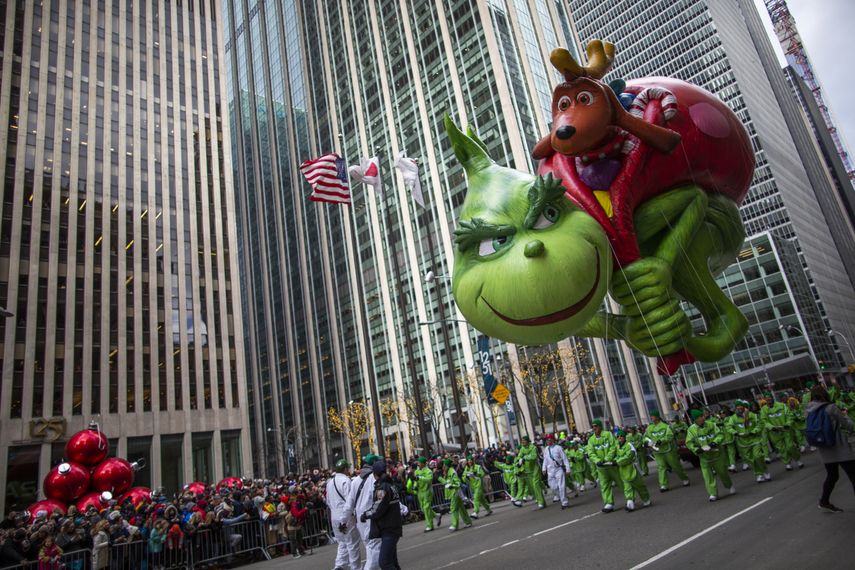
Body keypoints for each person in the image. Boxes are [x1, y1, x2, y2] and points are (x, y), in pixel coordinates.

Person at [805, 384, 855, 512]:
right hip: (840, 446)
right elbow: (848, 426)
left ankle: (824, 501)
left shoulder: (808, 410)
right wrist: (846, 415)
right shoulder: (831, 407)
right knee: (853, 474)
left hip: (824, 448)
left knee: (832, 476)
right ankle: (824, 501)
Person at [685, 409, 736, 502]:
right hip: (704, 458)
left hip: (717, 455)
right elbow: (689, 442)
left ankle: (729, 485)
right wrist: (696, 449)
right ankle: (713, 493)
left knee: (723, 473)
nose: (702, 418)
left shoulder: (711, 425)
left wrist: (714, 443)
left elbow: (720, 434)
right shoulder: (691, 430)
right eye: (700, 417)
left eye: (702, 416)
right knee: (707, 476)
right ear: (695, 419)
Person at [360, 461, 403, 570]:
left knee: (385, 563)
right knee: (392, 562)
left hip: (389, 528)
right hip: (393, 526)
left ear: (375, 474)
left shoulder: (382, 488)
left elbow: (377, 508)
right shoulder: (390, 484)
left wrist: (365, 515)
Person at [346, 454, 380, 569]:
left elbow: (349, 503)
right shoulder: (374, 479)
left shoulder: (355, 481)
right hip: (372, 518)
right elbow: (382, 497)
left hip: (361, 520)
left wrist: (343, 520)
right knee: (375, 549)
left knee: (370, 548)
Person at [644, 410, 690, 492]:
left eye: (653, 416)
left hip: (668, 450)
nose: (651, 417)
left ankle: (684, 478)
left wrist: (661, 440)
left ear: (657, 417)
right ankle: (663, 485)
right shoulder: (650, 427)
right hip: (657, 451)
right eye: (651, 416)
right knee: (661, 467)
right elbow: (645, 437)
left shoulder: (665, 426)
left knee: (675, 465)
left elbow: (670, 436)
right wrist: (646, 442)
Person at [328, 459, 360, 570]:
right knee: (352, 543)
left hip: (334, 516)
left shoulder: (330, 482)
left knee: (342, 542)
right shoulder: (346, 481)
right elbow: (349, 500)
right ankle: (355, 567)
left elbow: (328, 501)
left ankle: (340, 565)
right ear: (345, 469)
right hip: (345, 515)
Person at [727, 399, 770, 483]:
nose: (739, 408)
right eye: (737, 407)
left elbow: (760, 424)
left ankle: (765, 471)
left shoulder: (752, 415)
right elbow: (729, 427)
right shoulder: (733, 418)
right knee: (751, 460)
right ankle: (758, 474)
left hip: (754, 440)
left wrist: (753, 431)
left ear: (743, 407)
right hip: (743, 443)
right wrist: (736, 433)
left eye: (740, 406)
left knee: (757, 456)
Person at [586, 419, 623, 513]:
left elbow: (614, 446)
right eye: (593, 426)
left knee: (621, 482)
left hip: (611, 465)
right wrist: (597, 461)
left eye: (596, 426)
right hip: (601, 468)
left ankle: (630, 498)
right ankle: (608, 503)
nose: (594, 428)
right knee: (604, 485)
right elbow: (590, 452)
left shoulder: (608, 434)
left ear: (600, 426)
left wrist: (607, 458)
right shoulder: (591, 440)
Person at [761, 392, 803, 470]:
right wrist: (771, 427)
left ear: (772, 398)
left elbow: (789, 415)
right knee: (782, 449)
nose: (768, 400)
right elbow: (764, 421)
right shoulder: (763, 410)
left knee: (790, 446)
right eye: (767, 399)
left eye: (769, 398)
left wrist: (788, 424)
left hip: (786, 430)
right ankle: (787, 463)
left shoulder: (782, 405)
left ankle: (798, 460)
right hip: (774, 433)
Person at [615, 430, 652, 512]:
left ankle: (646, 499)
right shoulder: (617, 446)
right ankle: (630, 503)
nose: (619, 438)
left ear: (624, 437)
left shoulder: (629, 446)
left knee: (640, 486)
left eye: (621, 436)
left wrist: (617, 462)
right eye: (618, 436)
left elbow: (629, 457)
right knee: (627, 488)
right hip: (623, 471)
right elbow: (615, 456)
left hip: (633, 469)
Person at [438, 459, 472, 531]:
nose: (443, 467)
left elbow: (457, 483)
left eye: (444, 465)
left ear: (447, 466)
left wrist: (452, 485)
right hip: (453, 492)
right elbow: (446, 482)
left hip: (455, 492)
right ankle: (468, 522)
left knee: (453, 509)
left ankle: (454, 525)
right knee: (461, 508)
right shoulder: (447, 472)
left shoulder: (452, 472)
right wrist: (440, 478)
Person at [409, 457, 441, 531]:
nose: (418, 464)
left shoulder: (428, 471)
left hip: (427, 491)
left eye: (419, 463)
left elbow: (429, 480)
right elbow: (416, 481)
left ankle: (430, 525)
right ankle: (436, 515)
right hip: (420, 492)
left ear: (423, 463)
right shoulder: (417, 471)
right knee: (424, 509)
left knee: (426, 508)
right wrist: (414, 486)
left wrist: (419, 478)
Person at [541, 435, 571, 508]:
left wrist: (568, 469)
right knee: (553, 487)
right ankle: (562, 497)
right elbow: (545, 459)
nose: (548, 441)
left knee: (561, 486)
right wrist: (543, 468)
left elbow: (564, 458)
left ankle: (564, 502)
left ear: (553, 440)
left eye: (550, 439)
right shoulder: (546, 449)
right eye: (547, 440)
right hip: (550, 471)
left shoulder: (558, 448)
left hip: (558, 469)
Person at [517, 435, 546, 509]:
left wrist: (524, 458)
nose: (522, 442)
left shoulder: (533, 447)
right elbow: (519, 456)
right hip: (527, 471)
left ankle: (541, 502)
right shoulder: (522, 448)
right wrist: (519, 461)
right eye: (522, 440)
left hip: (535, 469)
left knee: (536, 485)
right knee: (533, 487)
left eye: (524, 440)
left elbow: (533, 456)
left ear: (528, 441)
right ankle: (542, 501)